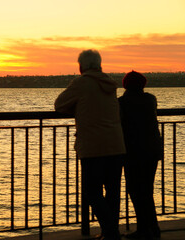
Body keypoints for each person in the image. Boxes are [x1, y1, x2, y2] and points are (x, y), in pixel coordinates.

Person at [55, 49, 126, 240]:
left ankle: (110, 232)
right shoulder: (109, 83)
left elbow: (59, 104)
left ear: (81, 66)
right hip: (116, 144)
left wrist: (77, 109)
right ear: (99, 64)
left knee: (91, 190)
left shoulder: (81, 83)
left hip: (93, 145)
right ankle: (111, 231)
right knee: (112, 191)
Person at [119, 71, 162, 240]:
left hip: (133, 152)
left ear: (125, 85)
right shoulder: (150, 99)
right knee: (146, 191)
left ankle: (146, 230)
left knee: (136, 191)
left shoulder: (122, 102)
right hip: (152, 150)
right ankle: (152, 228)